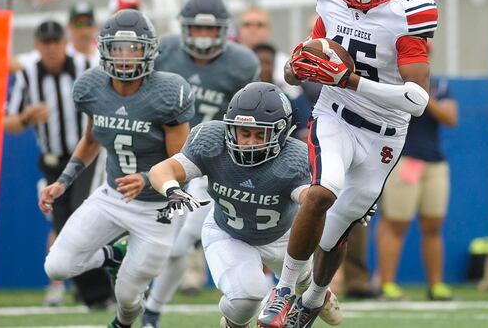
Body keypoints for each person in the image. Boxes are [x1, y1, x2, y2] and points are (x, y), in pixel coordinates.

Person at [258, 0, 438, 327]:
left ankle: (315, 298)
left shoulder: (409, 14)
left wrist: (351, 79)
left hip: (384, 135)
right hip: (334, 115)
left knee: (336, 231)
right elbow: (309, 51)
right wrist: (294, 67)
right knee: (322, 193)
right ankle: (284, 290)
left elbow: (417, 100)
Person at [37, 9, 202, 328]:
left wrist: (145, 178)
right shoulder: (91, 86)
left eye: (133, 48)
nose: (125, 57)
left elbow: (181, 164)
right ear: (104, 50)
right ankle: (112, 255)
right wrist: (63, 181)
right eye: (117, 48)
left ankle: (123, 322)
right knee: (56, 266)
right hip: (112, 196)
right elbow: (90, 140)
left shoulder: (168, 91)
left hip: (157, 209)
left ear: (149, 50)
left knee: (127, 298)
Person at [147, 82, 342, 328]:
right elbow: (161, 170)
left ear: (281, 133)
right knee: (246, 298)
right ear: (230, 127)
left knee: (305, 279)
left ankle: (311, 287)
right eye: (245, 132)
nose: (251, 142)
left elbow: (313, 206)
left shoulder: (295, 159)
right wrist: (172, 189)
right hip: (229, 232)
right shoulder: (211, 140)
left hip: (283, 236)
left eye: (261, 134)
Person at [139, 0, 260, 327]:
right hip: (172, 159)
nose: (204, 37)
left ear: (223, 30)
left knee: (178, 247)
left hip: (213, 164)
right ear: (184, 27)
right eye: (197, 28)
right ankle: (150, 309)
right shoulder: (165, 52)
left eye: (211, 29)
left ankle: (153, 310)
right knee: (162, 241)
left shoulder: (242, 63)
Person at [4, 19, 112, 308]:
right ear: (37, 46)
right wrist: (27, 117)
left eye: (56, 42)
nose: (51, 48)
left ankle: (103, 286)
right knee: (64, 228)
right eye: (45, 43)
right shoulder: (28, 73)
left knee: (81, 215)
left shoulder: (86, 67)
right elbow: (8, 122)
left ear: (65, 43)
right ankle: (96, 295)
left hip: (84, 157)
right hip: (52, 162)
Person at [377, 69, 458, 301]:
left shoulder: (439, 85)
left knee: (433, 225)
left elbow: (451, 118)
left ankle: (435, 285)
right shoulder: (393, 83)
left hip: (434, 163)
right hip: (405, 160)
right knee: (396, 224)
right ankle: (387, 285)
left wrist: (423, 97)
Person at [10, 0, 100, 74]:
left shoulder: (102, 55)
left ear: (95, 26)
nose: (84, 30)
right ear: (70, 27)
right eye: (78, 24)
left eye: (88, 23)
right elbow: (21, 63)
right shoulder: (61, 52)